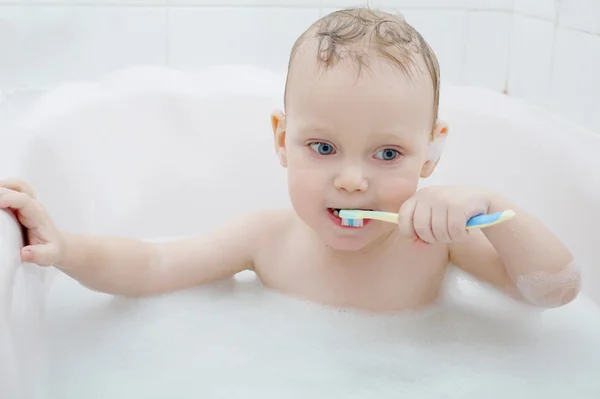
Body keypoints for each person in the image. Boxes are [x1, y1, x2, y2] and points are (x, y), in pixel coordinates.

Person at [0, 8, 580, 313]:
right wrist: (66, 249)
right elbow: (154, 267)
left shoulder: (435, 239)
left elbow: (553, 292)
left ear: (432, 152)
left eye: (388, 153)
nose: (352, 179)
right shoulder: (267, 240)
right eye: (322, 147)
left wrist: (496, 210)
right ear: (282, 139)